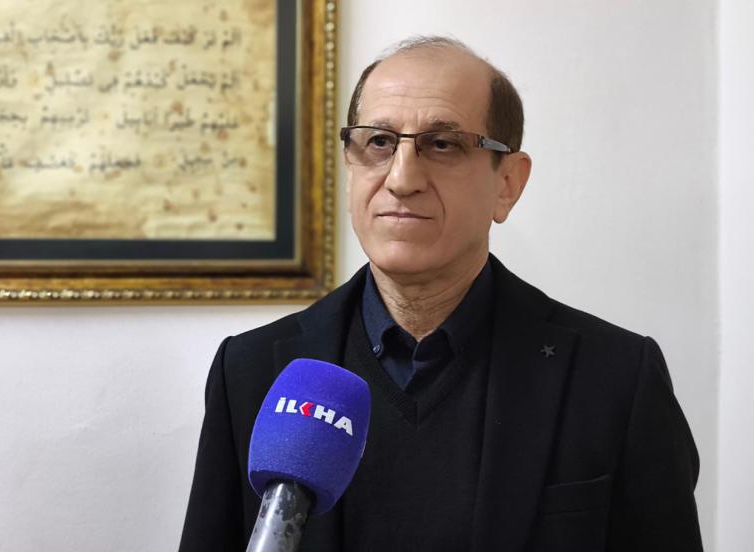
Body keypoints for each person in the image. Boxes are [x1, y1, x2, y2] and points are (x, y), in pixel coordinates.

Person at [179, 36, 702, 551]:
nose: (402, 179)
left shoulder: (615, 378)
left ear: (507, 183)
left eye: (443, 144)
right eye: (378, 142)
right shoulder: (252, 372)